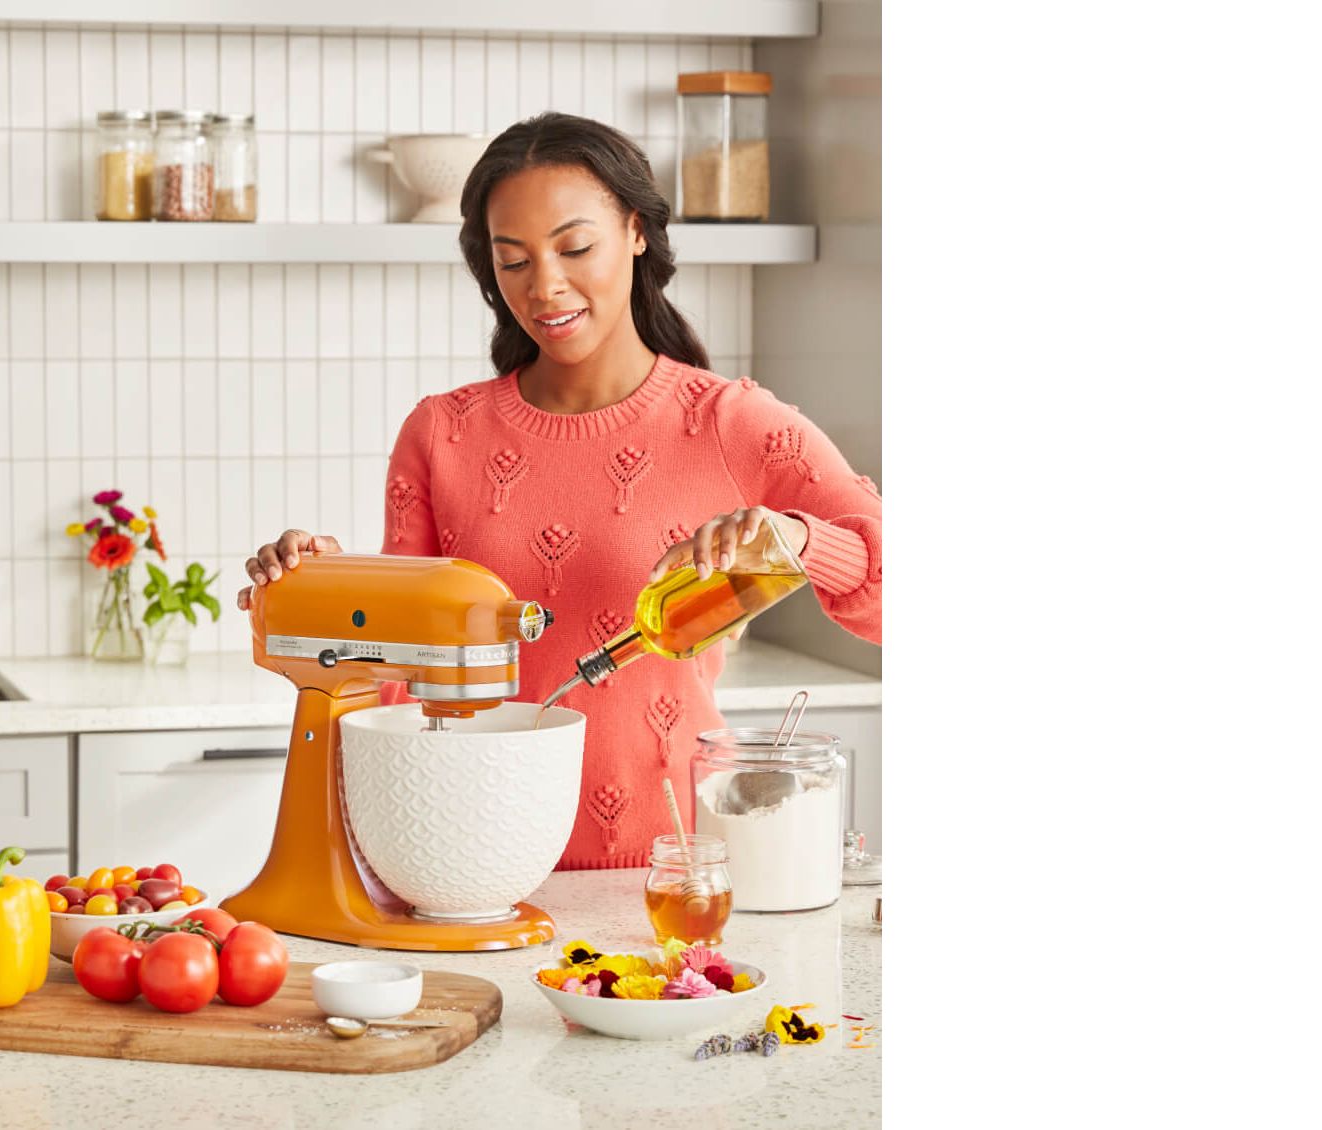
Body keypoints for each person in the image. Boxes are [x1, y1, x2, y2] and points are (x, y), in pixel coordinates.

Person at [235, 112, 881, 871]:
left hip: (669, 871)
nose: (545, 286)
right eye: (513, 262)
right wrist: (327, 591)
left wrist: (797, 541)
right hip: (465, 860)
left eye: (575, 247)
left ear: (636, 231)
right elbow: (400, 675)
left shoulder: (732, 423)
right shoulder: (441, 434)